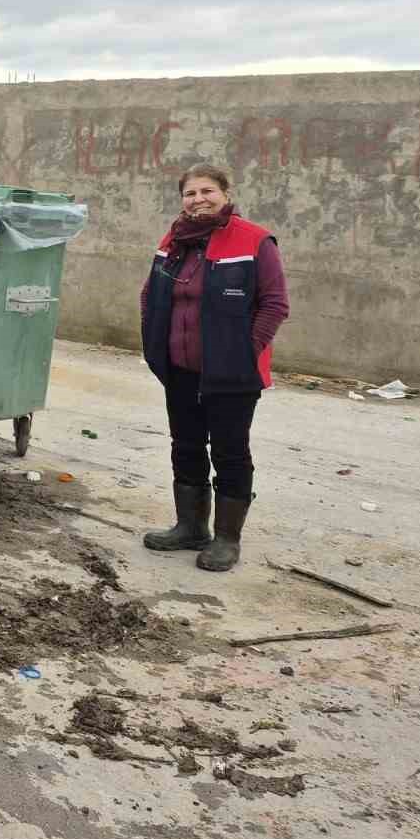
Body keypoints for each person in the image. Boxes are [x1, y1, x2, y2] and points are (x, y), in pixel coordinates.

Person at [140, 163, 288, 571]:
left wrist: (242, 352)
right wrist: (153, 340)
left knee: (230, 453)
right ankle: (190, 527)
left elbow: (274, 304)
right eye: (190, 193)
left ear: (225, 193)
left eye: (207, 191)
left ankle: (226, 538)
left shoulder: (254, 241)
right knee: (185, 446)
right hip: (180, 369)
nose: (198, 199)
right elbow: (151, 292)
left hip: (232, 375)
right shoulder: (174, 239)